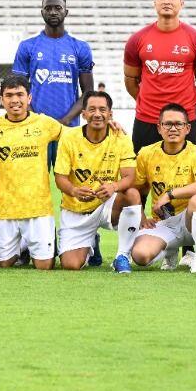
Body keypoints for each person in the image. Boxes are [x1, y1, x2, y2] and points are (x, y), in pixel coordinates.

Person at [121, 103, 196, 273]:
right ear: (159, 128)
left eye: (178, 124)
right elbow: (134, 190)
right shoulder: (146, 153)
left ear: (187, 128)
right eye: (168, 124)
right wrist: (141, 217)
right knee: (140, 256)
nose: (173, 129)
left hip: (189, 220)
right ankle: (169, 250)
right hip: (163, 221)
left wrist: (170, 194)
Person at [0, 75, 64, 269]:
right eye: (9, 95)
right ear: (1, 99)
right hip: (5, 209)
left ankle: (30, 243)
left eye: (20, 94)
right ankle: (23, 245)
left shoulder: (44, 123)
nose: (15, 100)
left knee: (44, 266)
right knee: (3, 264)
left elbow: (76, 135)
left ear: (29, 98)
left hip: (39, 209)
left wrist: (108, 126)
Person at [53, 90, 140, 270]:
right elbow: (60, 178)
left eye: (102, 109)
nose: (97, 114)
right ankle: (92, 242)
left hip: (106, 204)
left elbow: (130, 176)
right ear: (83, 114)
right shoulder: (69, 138)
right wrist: (74, 191)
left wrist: (114, 186)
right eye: (92, 109)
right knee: (71, 265)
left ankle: (122, 255)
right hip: (76, 209)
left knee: (131, 194)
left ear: (110, 114)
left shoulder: (120, 137)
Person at [122, 0, 196, 149]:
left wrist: (184, 105)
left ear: (181, 3)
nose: (167, 1)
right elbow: (130, 80)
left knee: (187, 167)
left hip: (184, 121)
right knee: (143, 166)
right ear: (155, 3)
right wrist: (147, 103)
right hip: (147, 119)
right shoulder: (137, 39)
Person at [12, 0, 95, 127]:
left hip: (68, 127)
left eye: (58, 8)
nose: (53, 12)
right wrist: (34, 119)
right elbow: (17, 88)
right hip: (34, 127)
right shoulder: (27, 46)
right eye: (48, 8)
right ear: (42, 13)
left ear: (66, 12)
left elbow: (88, 92)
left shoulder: (81, 47)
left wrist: (66, 120)